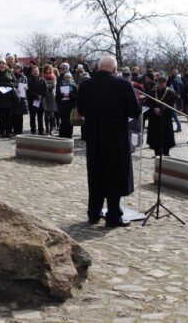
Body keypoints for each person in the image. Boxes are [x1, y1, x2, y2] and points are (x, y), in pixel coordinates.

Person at [78, 55, 141, 228]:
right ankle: (113, 216)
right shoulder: (123, 84)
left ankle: (94, 213)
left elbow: (81, 110)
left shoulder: (85, 85)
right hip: (116, 138)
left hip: (94, 137)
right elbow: (134, 111)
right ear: (115, 69)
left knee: (96, 173)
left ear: (98, 67)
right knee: (115, 175)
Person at [146, 77, 177, 156]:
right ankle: (157, 153)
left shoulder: (171, 92)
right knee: (155, 136)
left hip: (165, 118)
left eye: (162, 83)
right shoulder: (152, 91)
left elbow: (171, 105)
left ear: (165, 83)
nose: (160, 84)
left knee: (165, 136)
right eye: (159, 82)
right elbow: (148, 102)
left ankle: (166, 153)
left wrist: (162, 110)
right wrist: (154, 109)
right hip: (154, 118)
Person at [56, 72, 78, 138]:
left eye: (69, 77)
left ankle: (69, 135)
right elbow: (57, 97)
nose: (67, 79)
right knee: (63, 121)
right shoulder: (60, 86)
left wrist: (70, 95)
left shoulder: (74, 86)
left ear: (71, 78)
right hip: (62, 106)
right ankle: (62, 135)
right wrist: (62, 95)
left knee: (70, 122)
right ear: (64, 78)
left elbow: (77, 97)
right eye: (66, 77)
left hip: (71, 106)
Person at [27, 66, 46, 135]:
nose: (36, 72)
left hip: (41, 101)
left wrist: (42, 96)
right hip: (32, 101)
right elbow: (29, 90)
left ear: (39, 72)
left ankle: (41, 130)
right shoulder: (29, 80)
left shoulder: (42, 80)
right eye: (34, 71)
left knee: (40, 117)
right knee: (32, 117)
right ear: (32, 72)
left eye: (37, 71)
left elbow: (45, 90)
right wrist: (36, 95)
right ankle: (33, 130)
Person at [11, 63, 29, 135]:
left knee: (20, 116)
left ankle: (20, 130)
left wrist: (26, 88)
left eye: (18, 68)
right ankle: (14, 130)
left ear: (20, 69)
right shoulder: (12, 76)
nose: (16, 69)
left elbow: (27, 87)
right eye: (15, 68)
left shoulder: (24, 77)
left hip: (21, 98)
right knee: (14, 115)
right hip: (13, 97)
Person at [42, 64, 58, 135]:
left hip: (51, 95)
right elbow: (42, 85)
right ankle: (47, 129)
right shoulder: (42, 77)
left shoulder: (53, 76)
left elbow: (53, 85)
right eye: (46, 69)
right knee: (45, 114)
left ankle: (51, 129)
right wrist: (48, 84)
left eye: (49, 69)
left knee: (52, 114)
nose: (48, 70)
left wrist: (46, 84)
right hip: (44, 95)